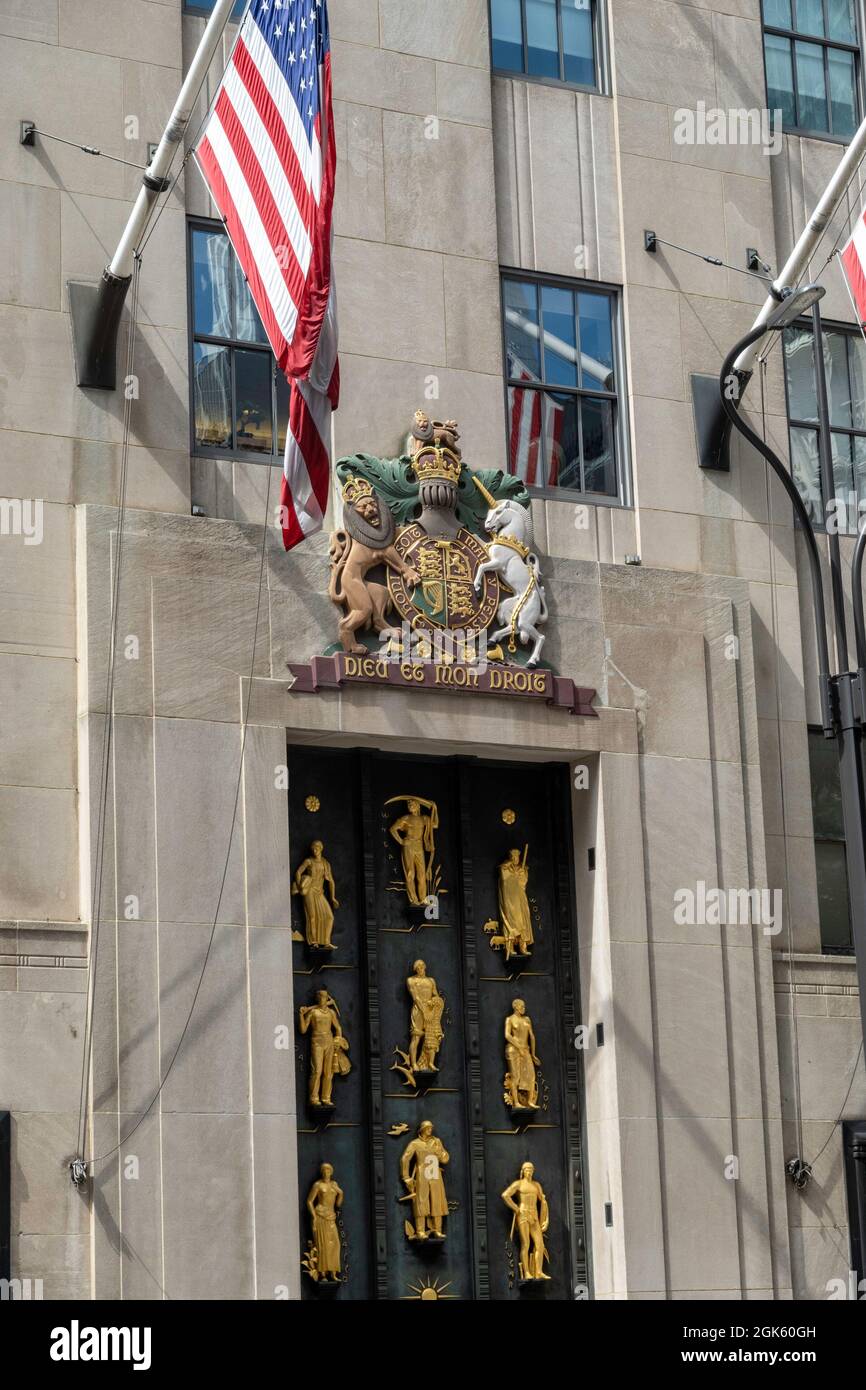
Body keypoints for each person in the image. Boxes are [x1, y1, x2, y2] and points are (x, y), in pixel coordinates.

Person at [298, 990, 351, 1108]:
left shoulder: (331, 1013)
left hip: (329, 1042)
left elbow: (338, 1028)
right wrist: (301, 1015)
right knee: (317, 1070)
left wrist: (338, 1039)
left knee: (328, 1072)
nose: (324, 998)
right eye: (321, 996)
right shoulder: (313, 1012)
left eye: (325, 997)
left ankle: (326, 1098)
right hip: (317, 1042)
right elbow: (303, 1030)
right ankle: (314, 1098)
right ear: (317, 998)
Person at [400, 1121, 449, 1241]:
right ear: (422, 1130)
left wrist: (439, 1152)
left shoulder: (436, 1142)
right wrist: (406, 1177)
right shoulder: (415, 1144)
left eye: (431, 1128)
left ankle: (437, 1230)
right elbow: (405, 1159)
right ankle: (420, 1231)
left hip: (435, 1174)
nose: (430, 1130)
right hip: (422, 1175)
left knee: (437, 1201)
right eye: (427, 1128)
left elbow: (445, 1159)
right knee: (421, 1202)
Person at [501, 1162, 550, 1281]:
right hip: (523, 1215)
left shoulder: (536, 1185)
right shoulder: (518, 1184)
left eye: (532, 1170)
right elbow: (505, 1195)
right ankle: (527, 1272)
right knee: (526, 1244)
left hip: (534, 1216)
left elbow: (542, 1201)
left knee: (540, 1244)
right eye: (527, 1169)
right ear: (523, 1171)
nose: (530, 1172)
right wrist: (516, 1209)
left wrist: (546, 1218)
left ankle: (538, 1271)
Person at [388, 798, 437, 905]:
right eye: (408, 804)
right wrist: (401, 841)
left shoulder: (424, 819)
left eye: (412, 803)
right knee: (410, 873)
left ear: (418, 806)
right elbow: (392, 829)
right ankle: (413, 900)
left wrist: (435, 809)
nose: (410, 805)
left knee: (422, 874)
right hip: (409, 845)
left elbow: (435, 825)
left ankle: (423, 898)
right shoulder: (406, 818)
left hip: (419, 846)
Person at [292, 840, 339, 948]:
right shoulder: (309, 861)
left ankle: (326, 942)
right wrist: (300, 886)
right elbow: (298, 872)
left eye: (317, 848)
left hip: (319, 892)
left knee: (329, 916)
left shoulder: (325, 863)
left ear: (321, 848)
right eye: (313, 848)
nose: (314, 850)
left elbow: (331, 881)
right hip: (309, 891)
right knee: (312, 916)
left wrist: (332, 897)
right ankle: (313, 942)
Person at [306, 1163, 344, 1282]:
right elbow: (309, 1201)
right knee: (323, 1245)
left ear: (331, 1172)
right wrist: (314, 1216)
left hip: (331, 1217)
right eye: (324, 1170)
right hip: (320, 1216)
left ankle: (333, 1273)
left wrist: (340, 1193)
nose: (326, 1172)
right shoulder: (317, 1185)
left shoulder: (334, 1185)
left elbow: (338, 1204)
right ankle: (322, 1273)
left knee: (335, 1245)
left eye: (328, 1170)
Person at [407, 960, 445, 1074]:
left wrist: (435, 1004)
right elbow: (415, 997)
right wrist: (424, 1011)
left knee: (431, 1037)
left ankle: (429, 1062)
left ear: (425, 967)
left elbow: (436, 995)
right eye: (418, 967)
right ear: (415, 969)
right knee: (416, 1037)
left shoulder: (431, 981)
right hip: (418, 1011)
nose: (420, 969)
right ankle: (413, 1063)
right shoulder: (411, 980)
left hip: (430, 1010)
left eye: (422, 966)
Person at [504, 999, 540, 1110]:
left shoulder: (527, 1019)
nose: (524, 1008)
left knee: (531, 1075)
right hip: (513, 1050)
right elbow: (507, 1035)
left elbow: (532, 1037)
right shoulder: (509, 1019)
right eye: (522, 1006)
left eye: (524, 1006)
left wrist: (533, 1054)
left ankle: (529, 1101)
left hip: (525, 1050)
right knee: (516, 1077)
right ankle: (516, 1103)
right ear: (516, 1007)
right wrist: (518, 1046)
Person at [499, 846, 533, 957]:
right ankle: (510, 946)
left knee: (523, 922)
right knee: (511, 923)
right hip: (510, 901)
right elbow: (505, 881)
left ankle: (523, 947)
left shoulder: (522, 869)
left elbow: (523, 884)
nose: (515, 859)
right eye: (513, 857)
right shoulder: (505, 868)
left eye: (517, 857)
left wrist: (521, 875)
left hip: (520, 899)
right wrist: (514, 876)